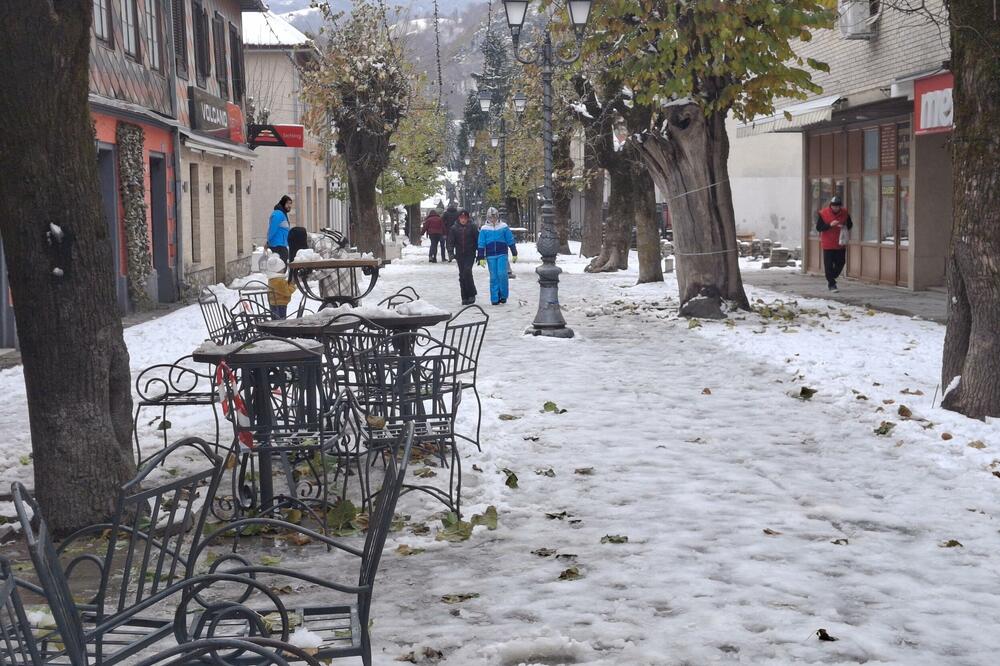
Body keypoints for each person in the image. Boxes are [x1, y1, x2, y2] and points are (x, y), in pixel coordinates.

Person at [266, 226, 309, 318]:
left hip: (275, 303)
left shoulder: (273, 280)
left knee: (276, 320)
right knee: (280, 321)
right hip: (280, 304)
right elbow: (287, 291)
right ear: (277, 270)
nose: (283, 271)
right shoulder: (278, 281)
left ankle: (277, 331)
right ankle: (279, 332)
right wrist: (293, 284)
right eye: (282, 269)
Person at [477, 207, 517, 305]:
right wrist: (481, 256)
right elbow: (481, 243)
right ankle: (494, 298)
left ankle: (503, 295)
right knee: (494, 277)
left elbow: (510, 239)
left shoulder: (503, 227)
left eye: (494, 217)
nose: (492, 219)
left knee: (502, 274)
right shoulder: (484, 229)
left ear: (497, 216)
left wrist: (514, 252)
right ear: (488, 217)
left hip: (502, 254)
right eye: (490, 217)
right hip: (490, 255)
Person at [815, 195, 853, 292]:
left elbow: (850, 224)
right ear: (830, 206)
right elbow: (819, 227)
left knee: (841, 262)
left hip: (840, 242)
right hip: (828, 244)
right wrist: (830, 225)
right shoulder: (824, 213)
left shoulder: (844, 213)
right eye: (834, 206)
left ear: (840, 206)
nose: (836, 208)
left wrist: (844, 225)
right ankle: (832, 284)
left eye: (838, 206)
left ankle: (832, 276)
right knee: (828, 265)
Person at [448, 209, 480, 305]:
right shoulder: (454, 228)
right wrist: (450, 252)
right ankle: (464, 296)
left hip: (470, 254)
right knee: (462, 275)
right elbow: (450, 241)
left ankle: (472, 293)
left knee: (467, 271)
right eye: (461, 218)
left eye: (465, 218)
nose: (463, 220)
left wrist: (480, 253)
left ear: (467, 218)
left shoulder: (472, 227)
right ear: (459, 218)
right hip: (459, 255)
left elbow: (478, 240)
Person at [267, 195, 293, 262]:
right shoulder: (278, 214)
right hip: (277, 246)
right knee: (280, 268)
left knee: (282, 268)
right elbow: (272, 229)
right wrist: (268, 241)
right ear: (283, 203)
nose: (289, 206)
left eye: (290, 203)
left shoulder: (283, 214)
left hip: (281, 245)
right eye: (287, 203)